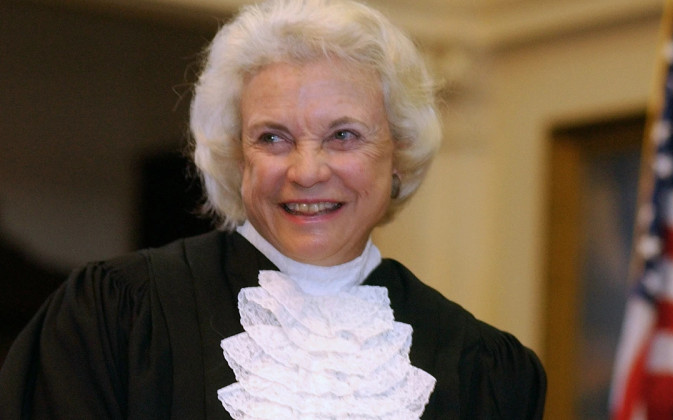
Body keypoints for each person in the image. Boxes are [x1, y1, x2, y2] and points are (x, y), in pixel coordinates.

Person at [0, 0, 546, 418]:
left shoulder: (484, 370)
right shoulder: (115, 318)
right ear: (237, 157)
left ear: (399, 153)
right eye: (274, 137)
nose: (306, 171)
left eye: (344, 135)